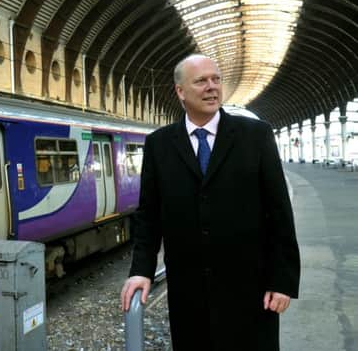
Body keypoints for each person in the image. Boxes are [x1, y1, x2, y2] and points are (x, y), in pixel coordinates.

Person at [120, 54, 300, 351]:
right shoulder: (159, 144)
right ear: (180, 91)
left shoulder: (255, 135)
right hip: (189, 295)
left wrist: (283, 280)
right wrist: (142, 269)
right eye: (201, 81)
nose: (212, 87)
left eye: (216, 79)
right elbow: (149, 216)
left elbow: (279, 212)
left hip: (251, 292)